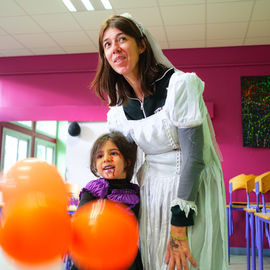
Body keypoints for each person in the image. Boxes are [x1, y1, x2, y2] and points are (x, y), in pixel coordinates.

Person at [91, 14, 228, 270]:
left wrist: (179, 223)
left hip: (189, 191)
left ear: (142, 45)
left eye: (122, 39)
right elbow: (122, 165)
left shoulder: (179, 86)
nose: (115, 48)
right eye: (107, 44)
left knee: (184, 262)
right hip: (151, 192)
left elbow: (194, 157)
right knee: (155, 261)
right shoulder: (118, 113)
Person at [70, 131, 143, 270]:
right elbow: (80, 222)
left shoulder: (136, 192)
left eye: (113, 153)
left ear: (127, 161)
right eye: (100, 156)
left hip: (125, 258)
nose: (106, 159)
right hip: (95, 256)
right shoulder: (94, 189)